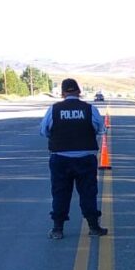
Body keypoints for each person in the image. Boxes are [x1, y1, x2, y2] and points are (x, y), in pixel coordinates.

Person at [40, 78, 108, 240]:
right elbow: (101, 130)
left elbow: (44, 131)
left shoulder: (54, 109)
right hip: (85, 158)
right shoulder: (90, 109)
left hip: (60, 158)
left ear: (62, 93)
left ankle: (57, 229)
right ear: (79, 92)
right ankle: (93, 227)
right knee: (88, 193)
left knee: (60, 193)